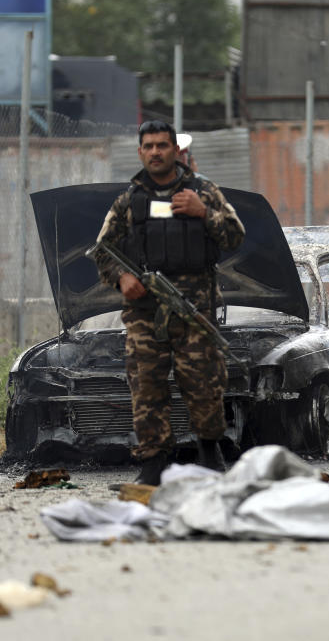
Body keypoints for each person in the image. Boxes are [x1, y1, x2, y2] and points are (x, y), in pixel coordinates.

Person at [94, 120, 245, 485]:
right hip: (146, 312)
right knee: (146, 386)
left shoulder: (203, 191)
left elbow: (235, 236)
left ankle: (210, 453)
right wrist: (122, 277)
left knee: (205, 384)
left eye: (163, 145)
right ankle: (153, 463)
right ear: (140, 152)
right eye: (149, 146)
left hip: (195, 311)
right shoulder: (130, 200)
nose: (156, 152)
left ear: (176, 151)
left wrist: (203, 213)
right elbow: (103, 250)